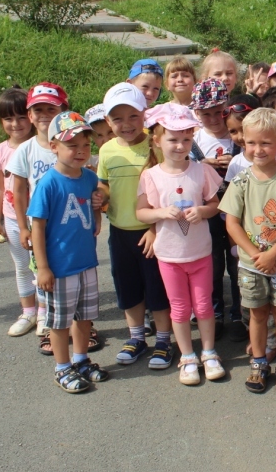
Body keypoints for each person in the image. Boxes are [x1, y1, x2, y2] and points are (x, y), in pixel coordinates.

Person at [136, 103, 226, 386]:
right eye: (173, 139)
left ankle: (208, 352)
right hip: (169, 256)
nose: (180, 146)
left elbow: (215, 204)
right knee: (179, 308)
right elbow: (141, 212)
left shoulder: (202, 170)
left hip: (200, 254)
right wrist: (162, 213)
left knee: (204, 306)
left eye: (186, 139)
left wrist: (202, 211)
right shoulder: (150, 175)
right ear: (157, 141)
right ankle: (187, 356)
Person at [221, 108, 276, 394]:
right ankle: (259, 363)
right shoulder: (240, 181)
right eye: (251, 143)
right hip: (251, 265)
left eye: (266, 143)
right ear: (243, 143)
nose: (258, 149)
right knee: (257, 314)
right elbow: (232, 223)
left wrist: (273, 254)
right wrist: (256, 254)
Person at [28, 111, 107, 393]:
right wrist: (43, 268)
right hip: (59, 268)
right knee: (59, 322)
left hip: (86, 262)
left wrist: (98, 209)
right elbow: (37, 227)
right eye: (72, 145)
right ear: (54, 147)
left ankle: (81, 359)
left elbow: (95, 206)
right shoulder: (48, 183)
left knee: (84, 317)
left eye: (85, 145)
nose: (80, 151)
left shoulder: (89, 178)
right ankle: (62, 367)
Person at [97, 82, 174, 369]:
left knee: (157, 288)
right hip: (119, 233)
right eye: (117, 118)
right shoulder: (107, 151)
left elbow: (166, 191)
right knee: (127, 286)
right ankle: (137, 337)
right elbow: (105, 185)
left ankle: (164, 340)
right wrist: (100, 196)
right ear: (108, 122)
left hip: (153, 232)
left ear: (145, 113)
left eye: (133, 116)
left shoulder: (156, 145)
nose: (126, 124)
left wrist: (154, 229)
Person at [7, 82, 68, 342]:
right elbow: (19, 191)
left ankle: (71, 314)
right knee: (39, 269)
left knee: (68, 267)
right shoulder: (26, 149)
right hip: (39, 224)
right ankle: (42, 314)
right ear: (30, 116)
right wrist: (23, 227)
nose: (44, 115)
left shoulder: (69, 144)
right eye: (38, 110)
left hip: (68, 222)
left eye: (51, 110)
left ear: (63, 113)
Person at [189, 79, 244, 342]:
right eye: (206, 113)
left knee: (237, 262)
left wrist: (236, 161)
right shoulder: (194, 140)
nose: (213, 119)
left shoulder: (238, 136)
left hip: (237, 209)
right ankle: (214, 312)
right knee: (210, 263)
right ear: (197, 113)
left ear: (227, 108)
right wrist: (202, 165)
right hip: (207, 211)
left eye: (218, 112)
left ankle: (240, 312)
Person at [0, 86, 37, 336]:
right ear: (1, 121)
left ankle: (46, 312)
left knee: (42, 264)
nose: (16, 124)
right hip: (11, 218)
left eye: (21, 117)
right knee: (22, 265)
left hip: (40, 218)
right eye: (8, 118)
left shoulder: (41, 146)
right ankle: (29, 312)